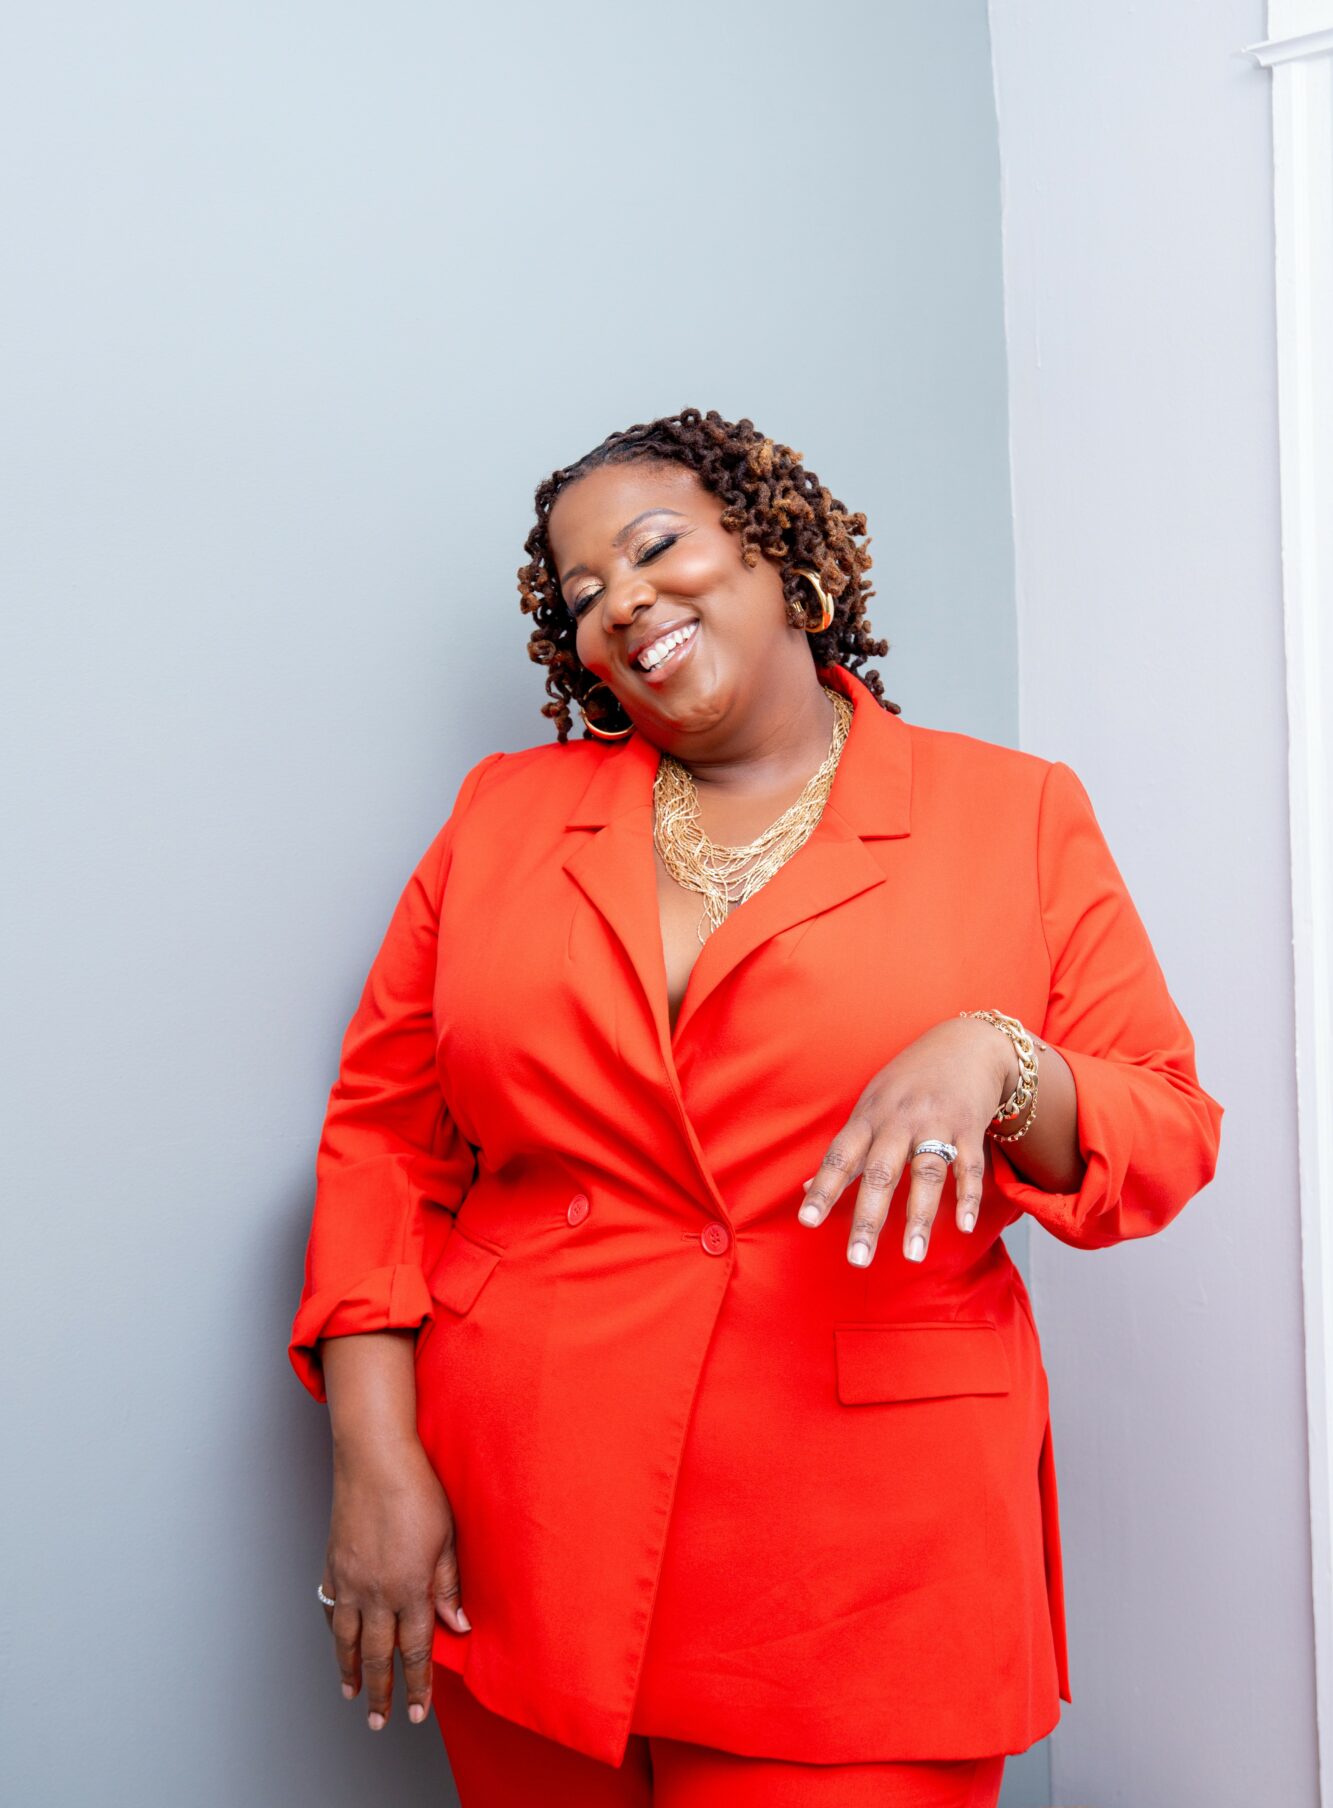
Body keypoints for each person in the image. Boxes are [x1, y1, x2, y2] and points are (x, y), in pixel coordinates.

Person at [289, 407, 1224, 1806]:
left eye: (654, 547)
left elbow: (1165, 1129)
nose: (620, 603)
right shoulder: (504, 818)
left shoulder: (1013, 814)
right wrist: (373, 1461)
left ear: (782, 553)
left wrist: (998, 1058)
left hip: (858, 1558)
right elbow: (383, 1142)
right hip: (524, 1519)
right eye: (582, 593)